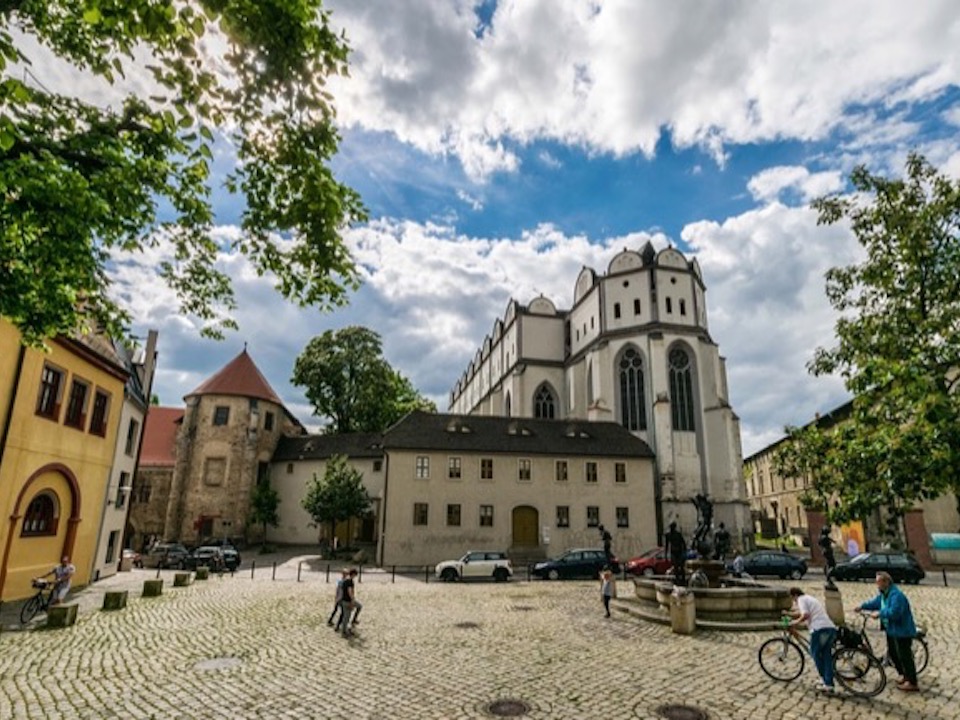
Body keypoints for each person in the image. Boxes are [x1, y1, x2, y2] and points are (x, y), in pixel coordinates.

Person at [855, 571, 919, 692]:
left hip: (902, 631)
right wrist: (862, 606)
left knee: (905, 657)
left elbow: (895, 612)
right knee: (894, 655)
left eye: (878, 582)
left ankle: (912, 681)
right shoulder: (884, 594)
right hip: (891, 630)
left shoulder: (896, 596)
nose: (877, 585)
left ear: (886, 582)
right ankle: (904, 676)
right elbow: (875, 602)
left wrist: (880, 613)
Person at [786, 587, 837, 693]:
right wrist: (789, 615)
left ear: (794, 595)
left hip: (819, 629)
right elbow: (804, 613)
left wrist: (794, 623)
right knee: (826, 655)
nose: (793, 601)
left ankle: (827, 682)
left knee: (815, 654)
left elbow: (805, 615)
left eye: (792, 598)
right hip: (830, 628)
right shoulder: (809, 598)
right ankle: (827, 681)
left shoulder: (801, 600)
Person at [338, 568, 363, 637]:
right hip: (348, 601)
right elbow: (350, 592)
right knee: (347, 616)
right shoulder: (350, 581)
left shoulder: (345, 580)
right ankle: (344, 631)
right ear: (353, 574)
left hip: (344, 600)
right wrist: (352, 601)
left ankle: (345, 629)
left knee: (346, 616)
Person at [664, 521, 687, 586]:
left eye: (672, 527)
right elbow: (666, 545)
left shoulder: (678, 534)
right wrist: (666, 556)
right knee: (676, 567)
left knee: (681, 567)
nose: (671, 528)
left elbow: (683, 543)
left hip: (679, 552)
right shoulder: (668, 535)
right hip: (674, 553)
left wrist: (684, 552)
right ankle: (677, 581)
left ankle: (683, 580)